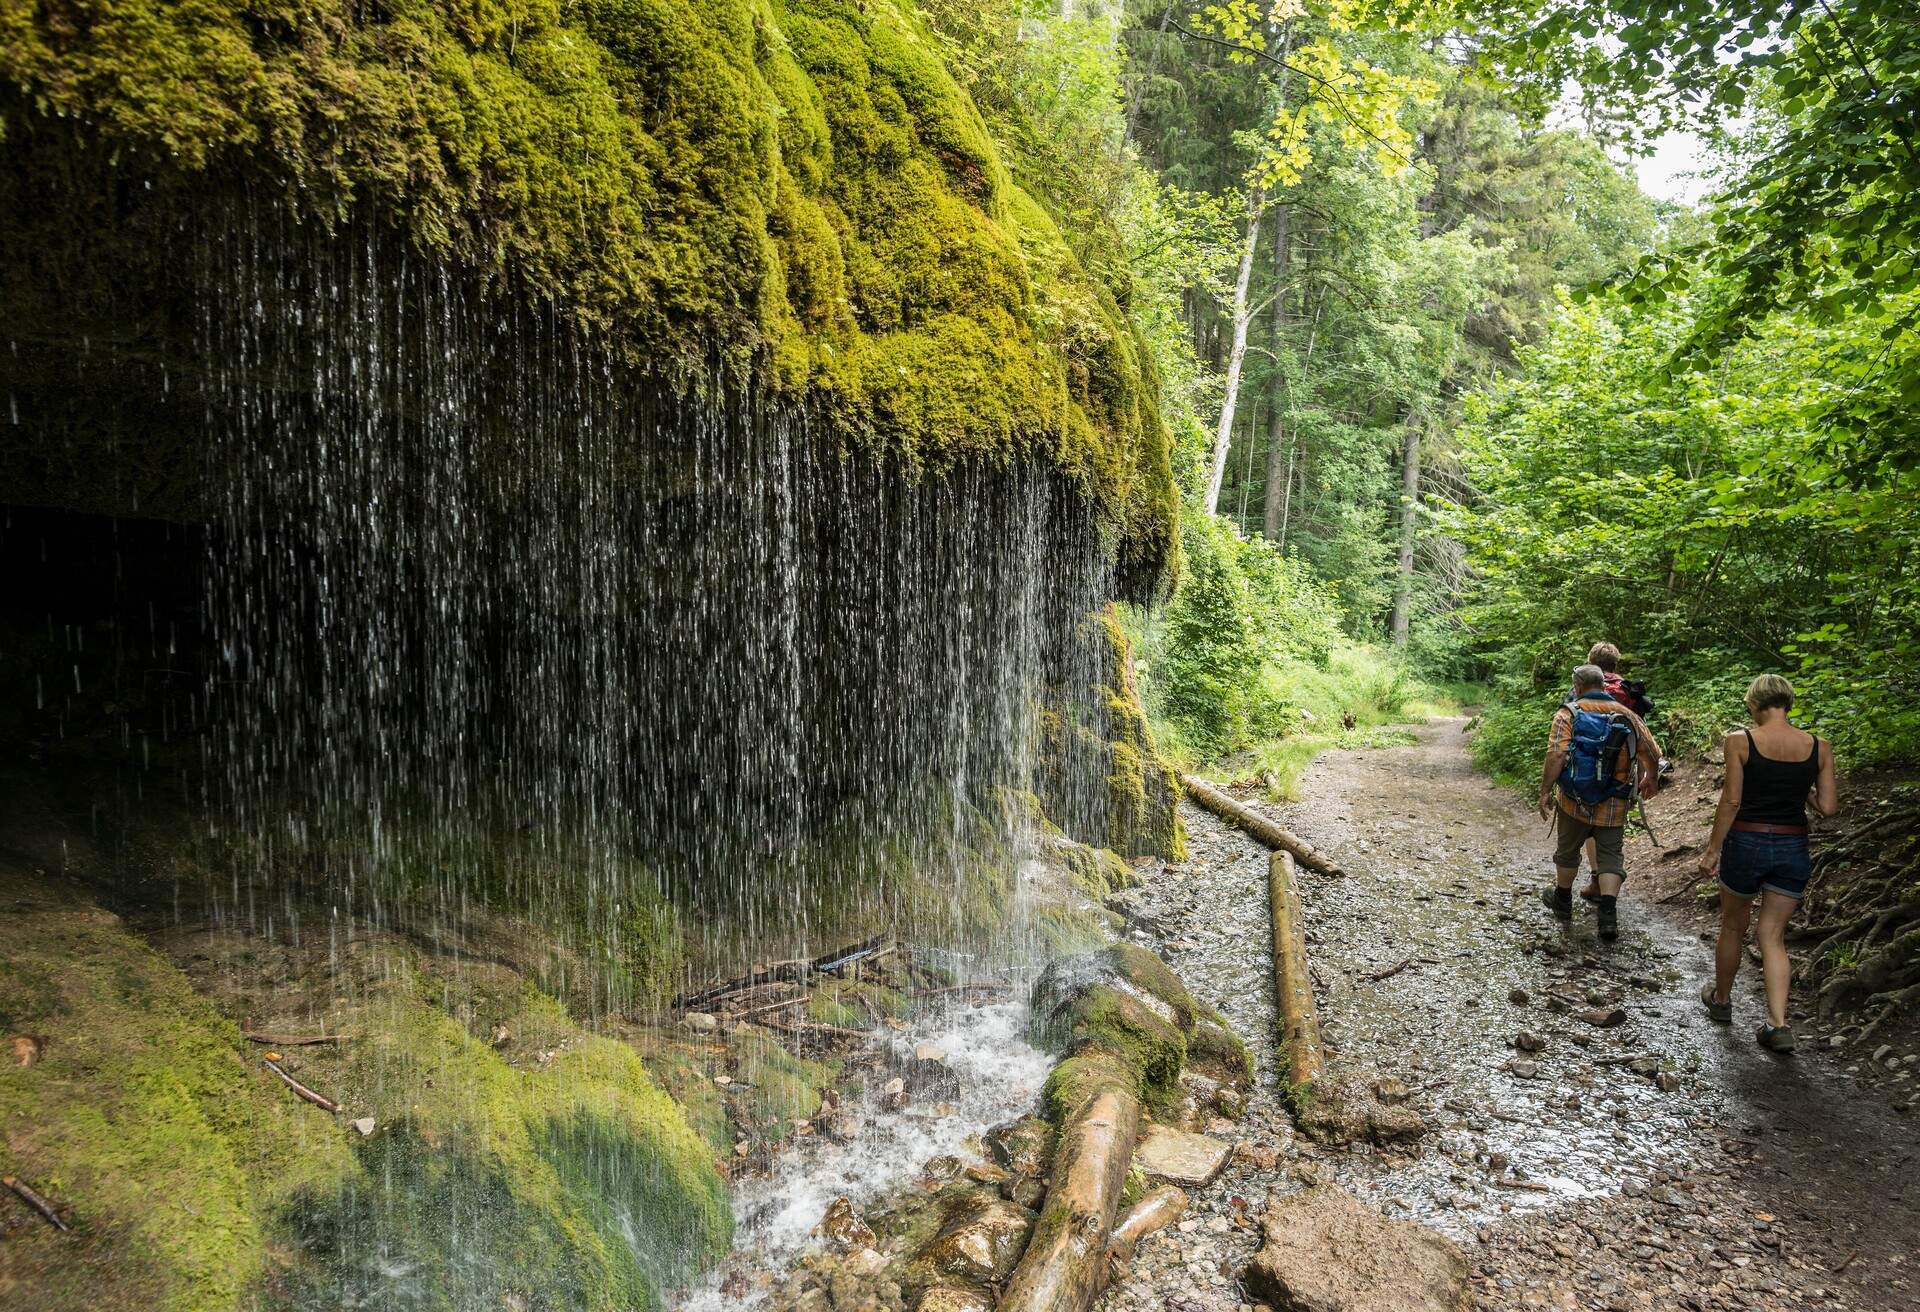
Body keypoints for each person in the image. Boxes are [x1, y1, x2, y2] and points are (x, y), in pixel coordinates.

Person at [1696, 674, 1838, 1053]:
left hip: (1747, 841)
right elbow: (1827, 807)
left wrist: (1712, 851)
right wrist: (1797, 785)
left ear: (1754, 704)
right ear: (1788, 703)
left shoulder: (1740, 741)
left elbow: (1731, 800)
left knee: (1732, 924)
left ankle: (1722, 1001)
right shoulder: (1818, 747)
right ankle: (1778, 1024)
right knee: (1772, 936)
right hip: (1793, 845)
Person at [1539, 664, 1662, 941]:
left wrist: (1545, 790)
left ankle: (1563, 900)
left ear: (1577, 686)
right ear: (1604, 686)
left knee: (1568, 850)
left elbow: (1557, 755)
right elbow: (1652, 752)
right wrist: (1650, 778)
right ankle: (1607, 916)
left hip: (1574, 799)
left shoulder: (1567, 713)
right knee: (1610, 855)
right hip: (1614, 799)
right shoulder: (1628, 715)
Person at [1574, 642, 1654, 900]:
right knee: (1611, 828)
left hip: (1586, 772)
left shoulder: (1583, 686)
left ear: (1591, 661)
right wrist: (1644, 775)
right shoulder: (1630, 691)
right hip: (1622, 773)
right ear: (1616, 663)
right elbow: (1641, 737)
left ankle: (1596, 878)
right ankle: (1608, 890)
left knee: (1589, 825)